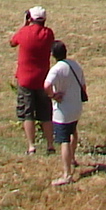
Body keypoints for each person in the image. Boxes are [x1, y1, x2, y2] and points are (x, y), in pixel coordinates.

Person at [9, 5, 55, 156]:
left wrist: (25, 24)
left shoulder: (24, 32)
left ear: (30, 18)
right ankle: (50, 145)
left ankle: (31, 146)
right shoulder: (48, 34)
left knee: (27, 113)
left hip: (25, 79)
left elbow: (12, 42)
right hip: (43, 79)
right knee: (45, 113)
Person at [44, 40, 87, 186]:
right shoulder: (75, 65)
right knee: (73, 132)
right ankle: (73, 159)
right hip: (76, 107)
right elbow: (83, 85)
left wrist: (53, 96)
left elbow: (47, 85)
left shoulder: (56, 69)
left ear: (52, 54)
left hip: (63, 110)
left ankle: (67, 174)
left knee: (64, 140)